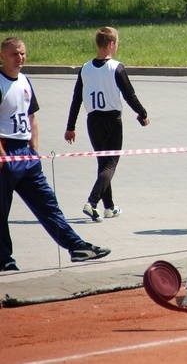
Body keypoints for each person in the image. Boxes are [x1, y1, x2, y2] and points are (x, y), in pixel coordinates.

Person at [1, 37, 110, 271]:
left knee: (48, 205)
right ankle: (5, 260)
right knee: (1, 211)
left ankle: (77, 247)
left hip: (25, 155)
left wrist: (34, 150)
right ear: (2, 56)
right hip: (4, 152)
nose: (20, 58)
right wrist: (2, 156)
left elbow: (32, 117)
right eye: (14, 54)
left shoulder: (24, 81)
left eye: (22, 53)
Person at [65, 27, 150, 221]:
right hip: (112, 120)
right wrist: (142, 114)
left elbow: (76, 99)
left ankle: (109, 207)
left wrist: (70, 126)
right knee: (110, 165)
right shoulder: (116, 67)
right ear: (111, 44)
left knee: (103, 164)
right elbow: (130, 95)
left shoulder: (85, 68)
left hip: (93, 121)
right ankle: (91, 202)